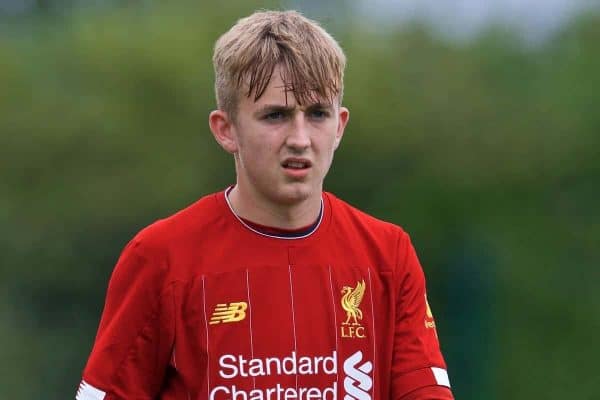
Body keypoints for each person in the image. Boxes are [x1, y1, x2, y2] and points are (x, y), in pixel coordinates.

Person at [77, 10, 454, 400]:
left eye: (317, 114)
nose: (300, 138)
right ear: (226, 130)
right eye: (276, 115)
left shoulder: (387, 255)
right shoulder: (160, 257)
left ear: (340, 126)